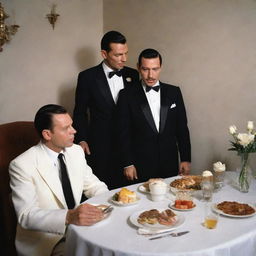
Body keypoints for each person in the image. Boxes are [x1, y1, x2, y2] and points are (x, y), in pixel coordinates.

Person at [9, 104, 109, 256]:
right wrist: (69, 216)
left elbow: (93, 185)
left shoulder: (75, 151)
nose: (74, 131)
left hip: (78, 230)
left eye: (72, 125)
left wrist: (110, 201)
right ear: (47, 134)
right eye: (66, 128)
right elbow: (26, 215)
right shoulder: (21, 165)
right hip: (47, 242)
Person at [73, 31, 139, 189]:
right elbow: (80, 112)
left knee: (131, 192)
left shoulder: (133, 75)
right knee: (103, 191)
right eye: (118, 55)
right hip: (101, 146)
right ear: (104, 54)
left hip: (129, 145)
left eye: (126, 53)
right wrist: (81, 139)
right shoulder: (87, 77)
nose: (124, 59)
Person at [116, 48, 191, 183]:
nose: (150, 75)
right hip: (140, 165)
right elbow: (123, 133)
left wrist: (185, 158)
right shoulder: (126, 95)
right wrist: (128, 163)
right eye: (145, 69)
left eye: (155, 69)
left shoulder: (174, 92)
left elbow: (182, 128)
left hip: (169, 163)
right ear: (138, 68)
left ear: (161, 67)